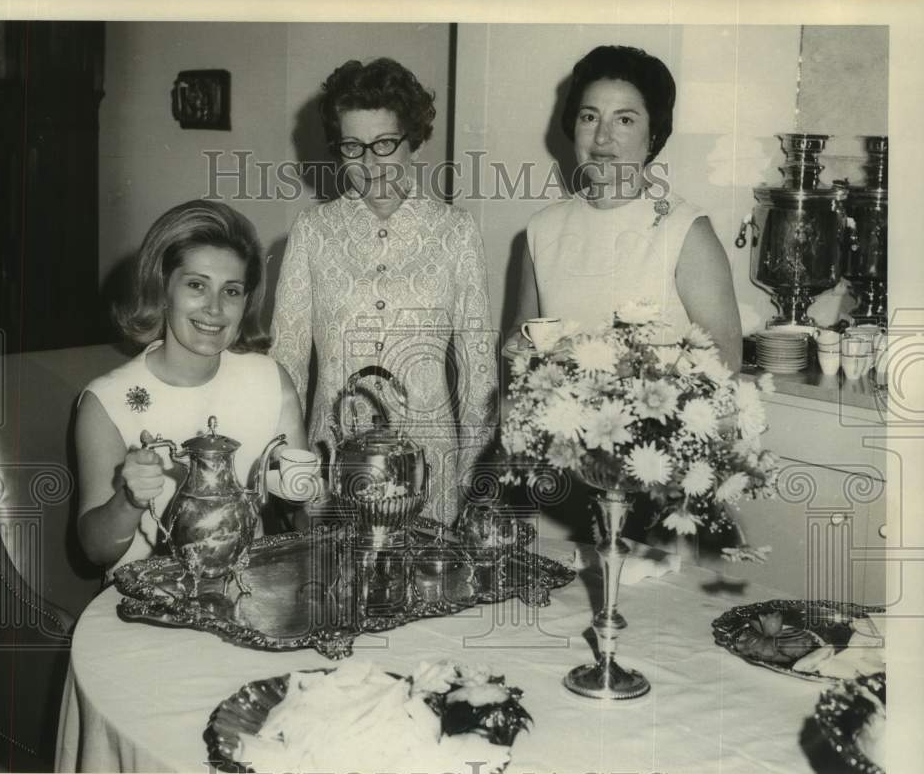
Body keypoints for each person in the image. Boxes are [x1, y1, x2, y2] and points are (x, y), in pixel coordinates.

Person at [270, 58, 497, 526]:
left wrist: (475, 483)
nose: (370, 163)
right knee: (333, 595)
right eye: (353, 147)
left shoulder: (456, 232)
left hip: (430, 471)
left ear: (412, 140)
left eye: (385, 144)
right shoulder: (313, 231)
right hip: (330, 469)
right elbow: (285, 363)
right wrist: (293, 476)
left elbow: (479, 371)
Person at [75, 200, 311, 578]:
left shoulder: (271, 381)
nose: (215, 309)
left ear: (246, 300)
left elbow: (302, 512)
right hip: (145, 608)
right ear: (162, 287)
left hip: (245, 594)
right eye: (197, 285)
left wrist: (325, 501)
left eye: (232, 291)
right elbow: (95, 550)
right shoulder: (106, 400)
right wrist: (130, 499)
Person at [513, 45, 742, 371]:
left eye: (624, 119)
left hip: (653, 419)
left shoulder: (685, 230)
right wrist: (518, 347)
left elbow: (726, 361)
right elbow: (522, 331)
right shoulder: (541, 228)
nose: (602, 138)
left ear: (653, 136)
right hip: (557, 419)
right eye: (589, 117)